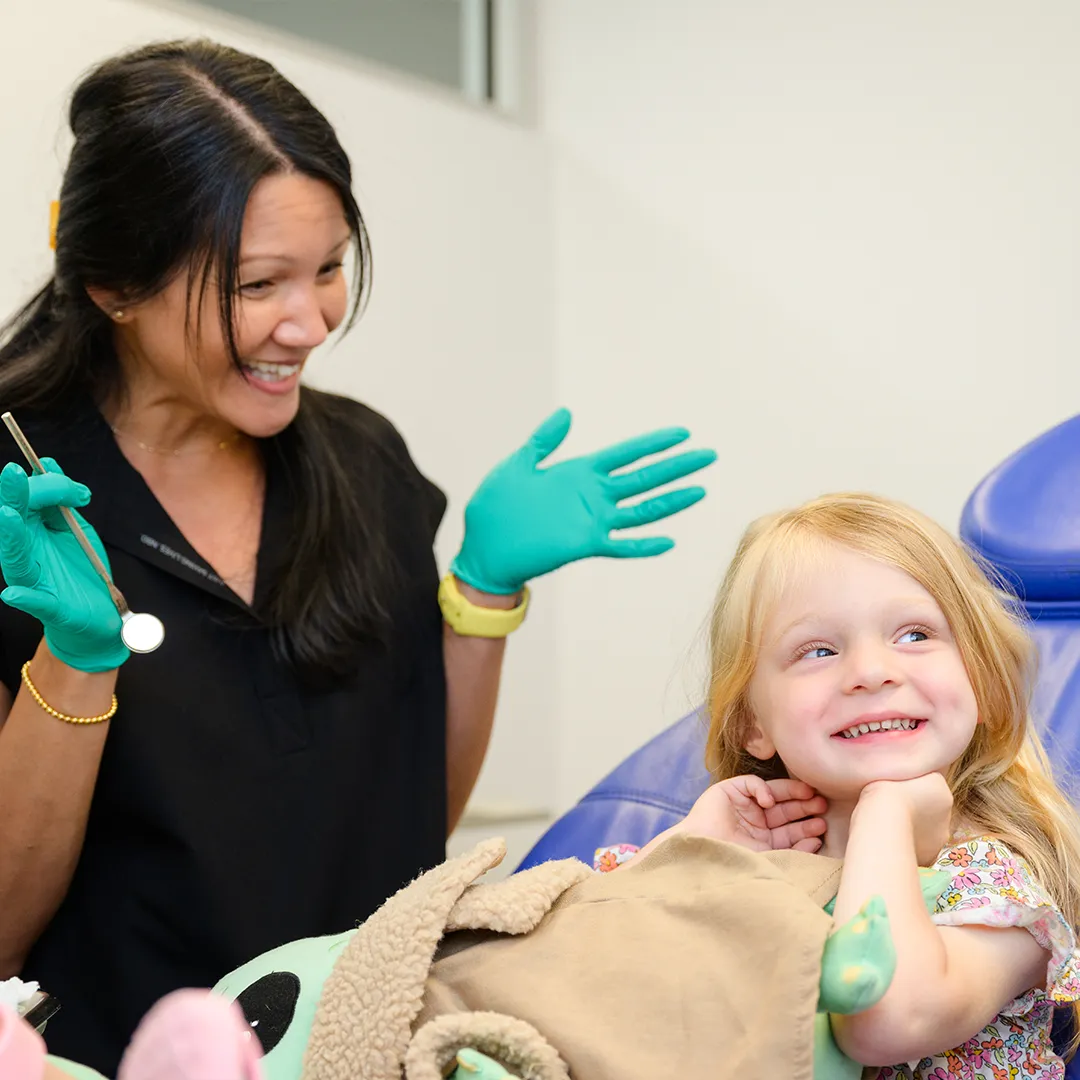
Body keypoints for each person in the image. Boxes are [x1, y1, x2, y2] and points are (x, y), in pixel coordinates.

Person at [0, 39, 716, 1075]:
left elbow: (412, 814)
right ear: (113, 284)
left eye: (329, 269)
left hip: (368, 1045)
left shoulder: (361, 464)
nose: (310, 322)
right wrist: (73, 656)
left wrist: (480, 595)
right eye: (256, 285)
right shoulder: (26, 500)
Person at [596, 492, 1080, 1077]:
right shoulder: (748, 860)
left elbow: (885, 1020)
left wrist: (886, 812)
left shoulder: (995, 887)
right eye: (817, 649)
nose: (872, 672)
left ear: (985, 685)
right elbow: (591, 979)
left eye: (913, 635)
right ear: (752, 724)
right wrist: (693, 853)